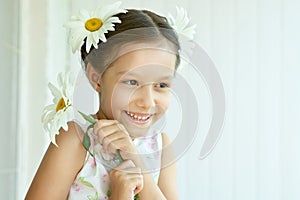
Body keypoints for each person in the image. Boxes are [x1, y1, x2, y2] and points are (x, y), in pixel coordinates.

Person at [26, 3, 181, 200]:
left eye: (161, 85)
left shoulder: (161, 147)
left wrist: (136, 161)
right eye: (132, 82)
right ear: (96, 78)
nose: (148, 102)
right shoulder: (77, 141)